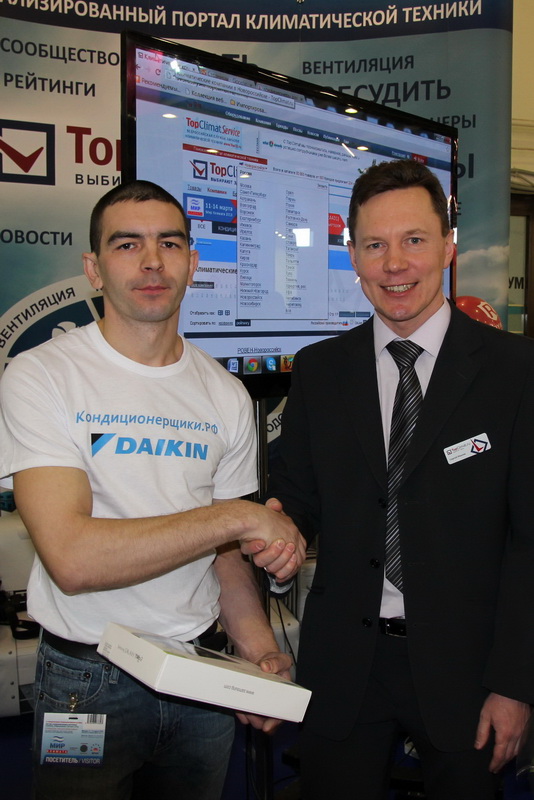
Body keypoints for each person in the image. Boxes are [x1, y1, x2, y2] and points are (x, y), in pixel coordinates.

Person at [0, 179, 306, 800]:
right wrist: (236, 517)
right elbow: (72, 559)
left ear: (192, 263)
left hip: (200, 674)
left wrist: (258, 649)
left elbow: (223, 558)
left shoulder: (225, 394)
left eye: (169, 243)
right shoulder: (43, 375)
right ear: (93, 269)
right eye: (126, 244)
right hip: (86, 679)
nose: (151, 261)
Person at [266, 159, 534, 800]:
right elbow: (298, 499)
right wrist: (277, 530)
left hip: (469, 672)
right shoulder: (319, 370)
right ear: (352, 257)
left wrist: (515, 684)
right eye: (374, 245)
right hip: (343, 666)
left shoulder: (516, 371)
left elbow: (530, 542)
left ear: (447, 247)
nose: (394, 264)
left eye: (414, 240)